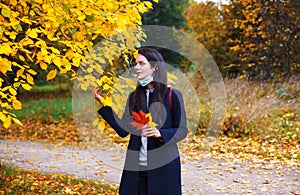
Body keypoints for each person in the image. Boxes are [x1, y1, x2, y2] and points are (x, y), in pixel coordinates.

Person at [93, 48, 188, 195]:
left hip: (163, 170)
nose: (136, 67)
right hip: (137, 170)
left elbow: (182, 130)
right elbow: (124, 130)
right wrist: (104, 105)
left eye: (141, 63)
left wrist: (160, 133)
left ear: (155, 67)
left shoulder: (172, 95)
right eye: (136, 63)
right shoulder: (134, 96)